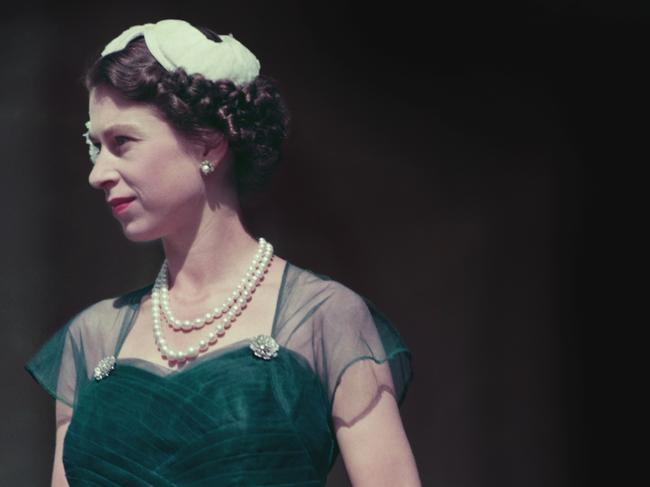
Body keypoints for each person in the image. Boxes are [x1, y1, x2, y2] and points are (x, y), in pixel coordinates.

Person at [24, 19, 420, 487]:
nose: (98, 173)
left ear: (208, 141)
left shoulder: (323, 320)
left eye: (122, 143)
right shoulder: (91, 338)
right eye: (96, 147)